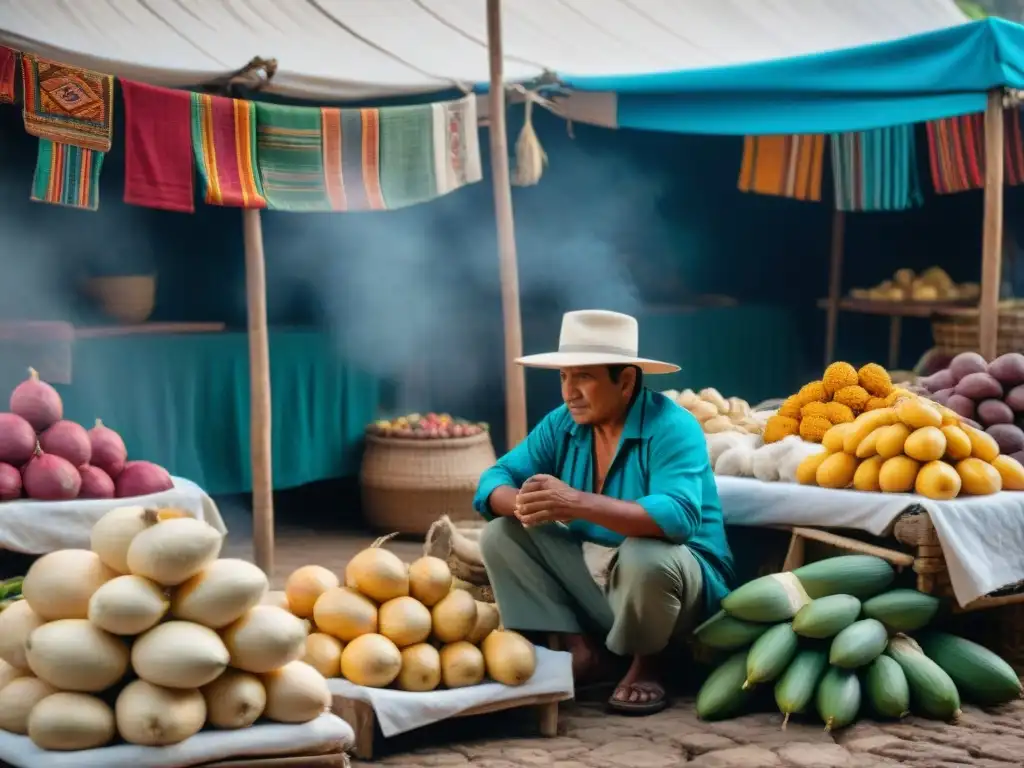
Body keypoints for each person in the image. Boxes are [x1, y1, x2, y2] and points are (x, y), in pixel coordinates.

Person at [473, 309, 734, 715]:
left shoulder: (673, 426)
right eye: (564, 377)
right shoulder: (564, 423)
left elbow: (677, 515)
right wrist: (526, 504)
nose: (569, 392)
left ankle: (649, 663)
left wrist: (574, 502)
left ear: (626, 381)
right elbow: (496, 477)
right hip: (600, 581)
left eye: (584, 377)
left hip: (678, 596)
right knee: (501, 533)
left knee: (646, 555)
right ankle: (582, 650)